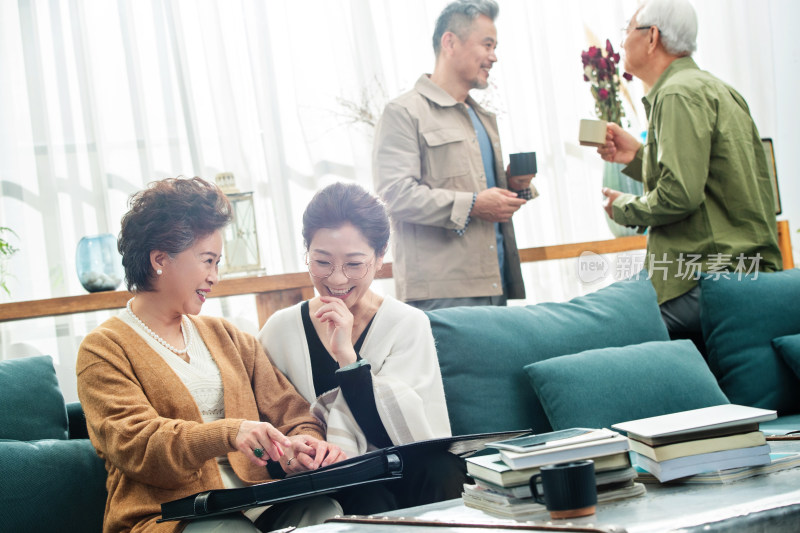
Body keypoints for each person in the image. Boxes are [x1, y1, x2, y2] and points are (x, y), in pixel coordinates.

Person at [76, 177, 346, 533]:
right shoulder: (104, 349)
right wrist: (229, 432)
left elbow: (292, 413)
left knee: (324, 512)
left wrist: (302, 446)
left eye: (218, 263)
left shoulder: (228, 337)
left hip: (258, 502)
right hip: (170, 516)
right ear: (160, 258)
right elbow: (137, 446)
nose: (215, 277)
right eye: (208, 261)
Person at [258, 182, 467, 512]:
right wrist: (288, 457)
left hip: (405, 470)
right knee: (365, 495)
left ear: (381, 256)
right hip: (323, 482)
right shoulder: (280, 331)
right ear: (307, 254)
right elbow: (262, 436)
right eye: (322, 262)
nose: (337, 279)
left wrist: (347, 359)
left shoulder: (407, 324)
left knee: (442, 470)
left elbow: (408, 439)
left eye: (355, 264)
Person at [598, 0, 782, 347]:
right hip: (750, 270)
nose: (622, 42)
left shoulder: (675, 94)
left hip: (710, 278)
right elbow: (706, 176)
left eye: (627, 30)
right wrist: (639, 157)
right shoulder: (717, 89)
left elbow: (680, 195)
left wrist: (624, 207)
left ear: (652, 37)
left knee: (612, 329)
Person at [372, 0, 535, 311]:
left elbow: (483, 195)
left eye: (495, 46)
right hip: (442, 294)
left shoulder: (484, 117)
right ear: (450, 43)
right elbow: (393, 196)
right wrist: (474, 204)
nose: (494, 56)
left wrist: (512, 185)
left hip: (495, 283)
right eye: (487, 45)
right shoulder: (404, 112)